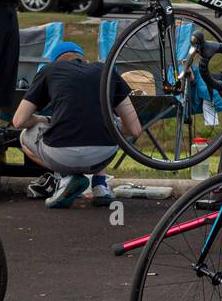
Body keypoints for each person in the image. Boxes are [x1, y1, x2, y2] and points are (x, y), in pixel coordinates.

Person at [11, 43, 141, 209]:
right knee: (114, 122)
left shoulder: (49, 70)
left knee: (25, 135)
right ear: (84, 60)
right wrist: (107, 129)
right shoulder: (106, 71)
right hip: (101, 156)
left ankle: (66, 178)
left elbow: (18, 121)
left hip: (60, 155)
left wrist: (42, 119)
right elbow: (134, 129)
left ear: (55, 61)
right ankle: (100, 186)